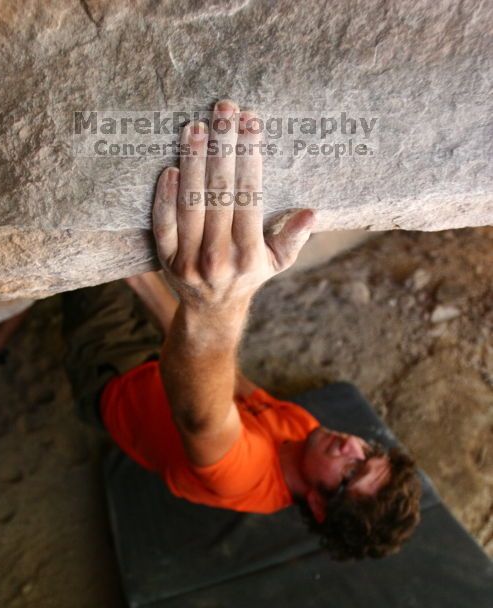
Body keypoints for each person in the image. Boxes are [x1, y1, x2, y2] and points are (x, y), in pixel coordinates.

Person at [63, 98, 421, 560]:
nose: (351, 445)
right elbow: (230, 379)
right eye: (369, 451)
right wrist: (150, 286)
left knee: (87, 264)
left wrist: (214, 308)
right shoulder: (306, 434)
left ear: (316, 502)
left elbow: (201, 416)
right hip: (171, 354)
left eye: (351, 473)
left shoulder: (244, 477)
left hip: (115, 371)